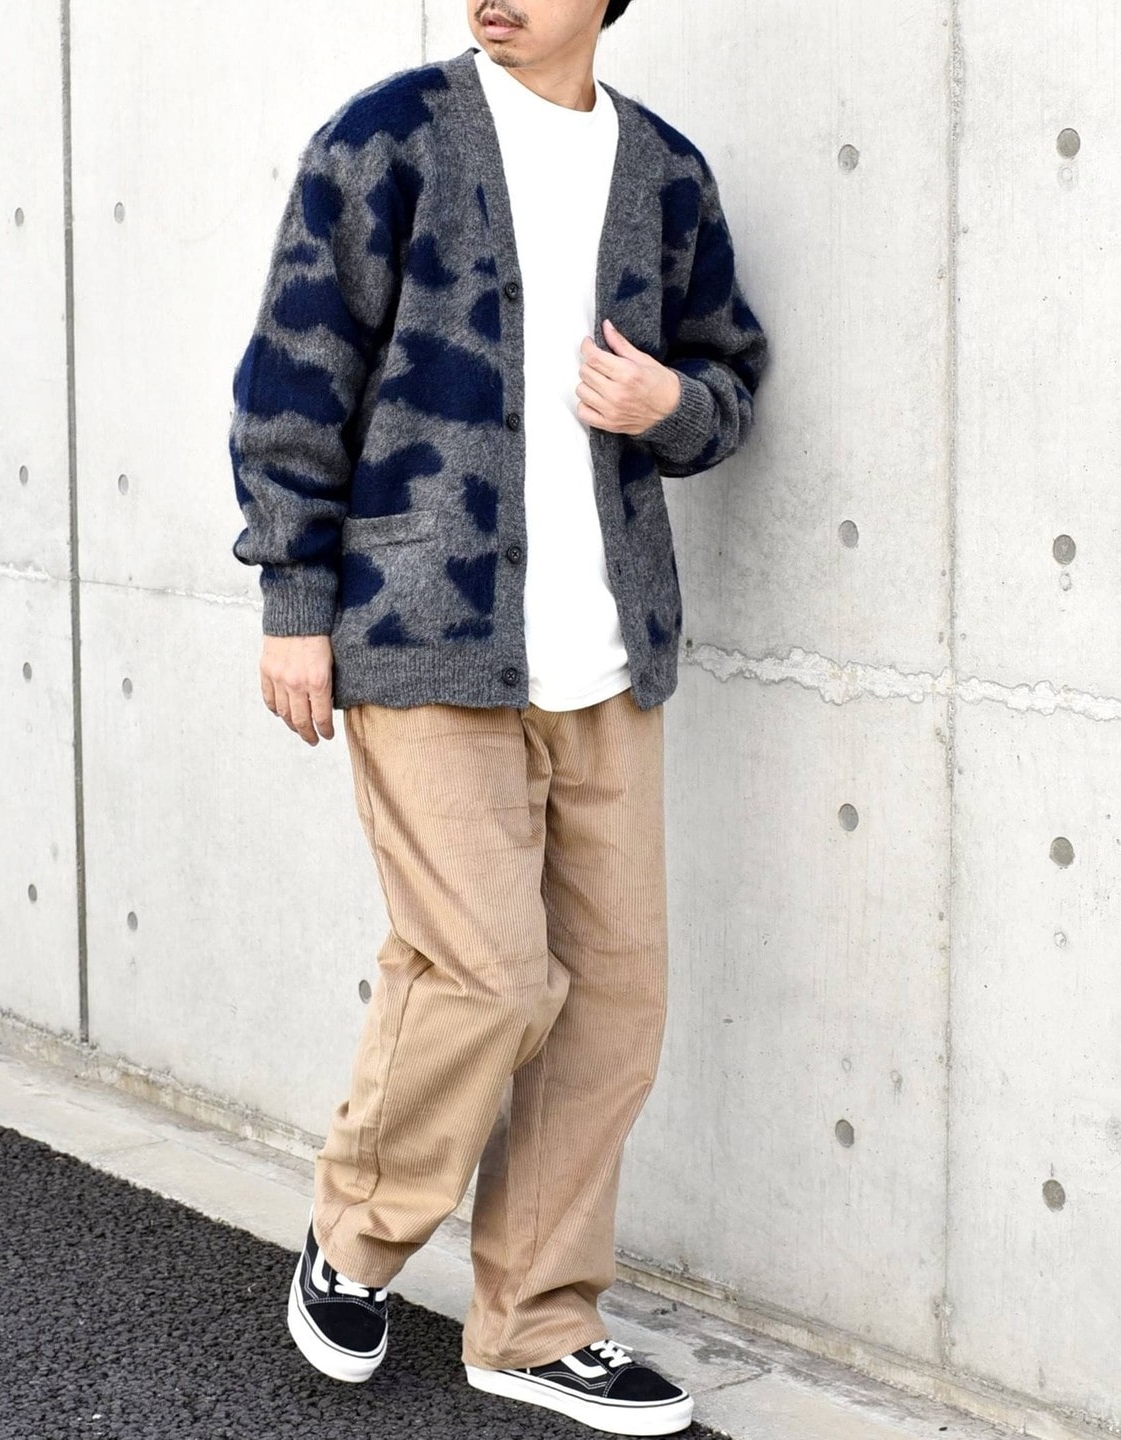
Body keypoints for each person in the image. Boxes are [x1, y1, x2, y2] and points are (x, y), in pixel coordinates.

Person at [228, 0, 768, 1432]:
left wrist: (669, 403)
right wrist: (294, 599)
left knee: (614, 1008)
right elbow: (295, 372)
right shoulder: (387, 140)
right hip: (422, 639)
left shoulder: (664, 174)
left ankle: (533, 1323)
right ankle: (356, 1235)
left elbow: (731, 382)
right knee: (487, 975)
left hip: (608, 657)